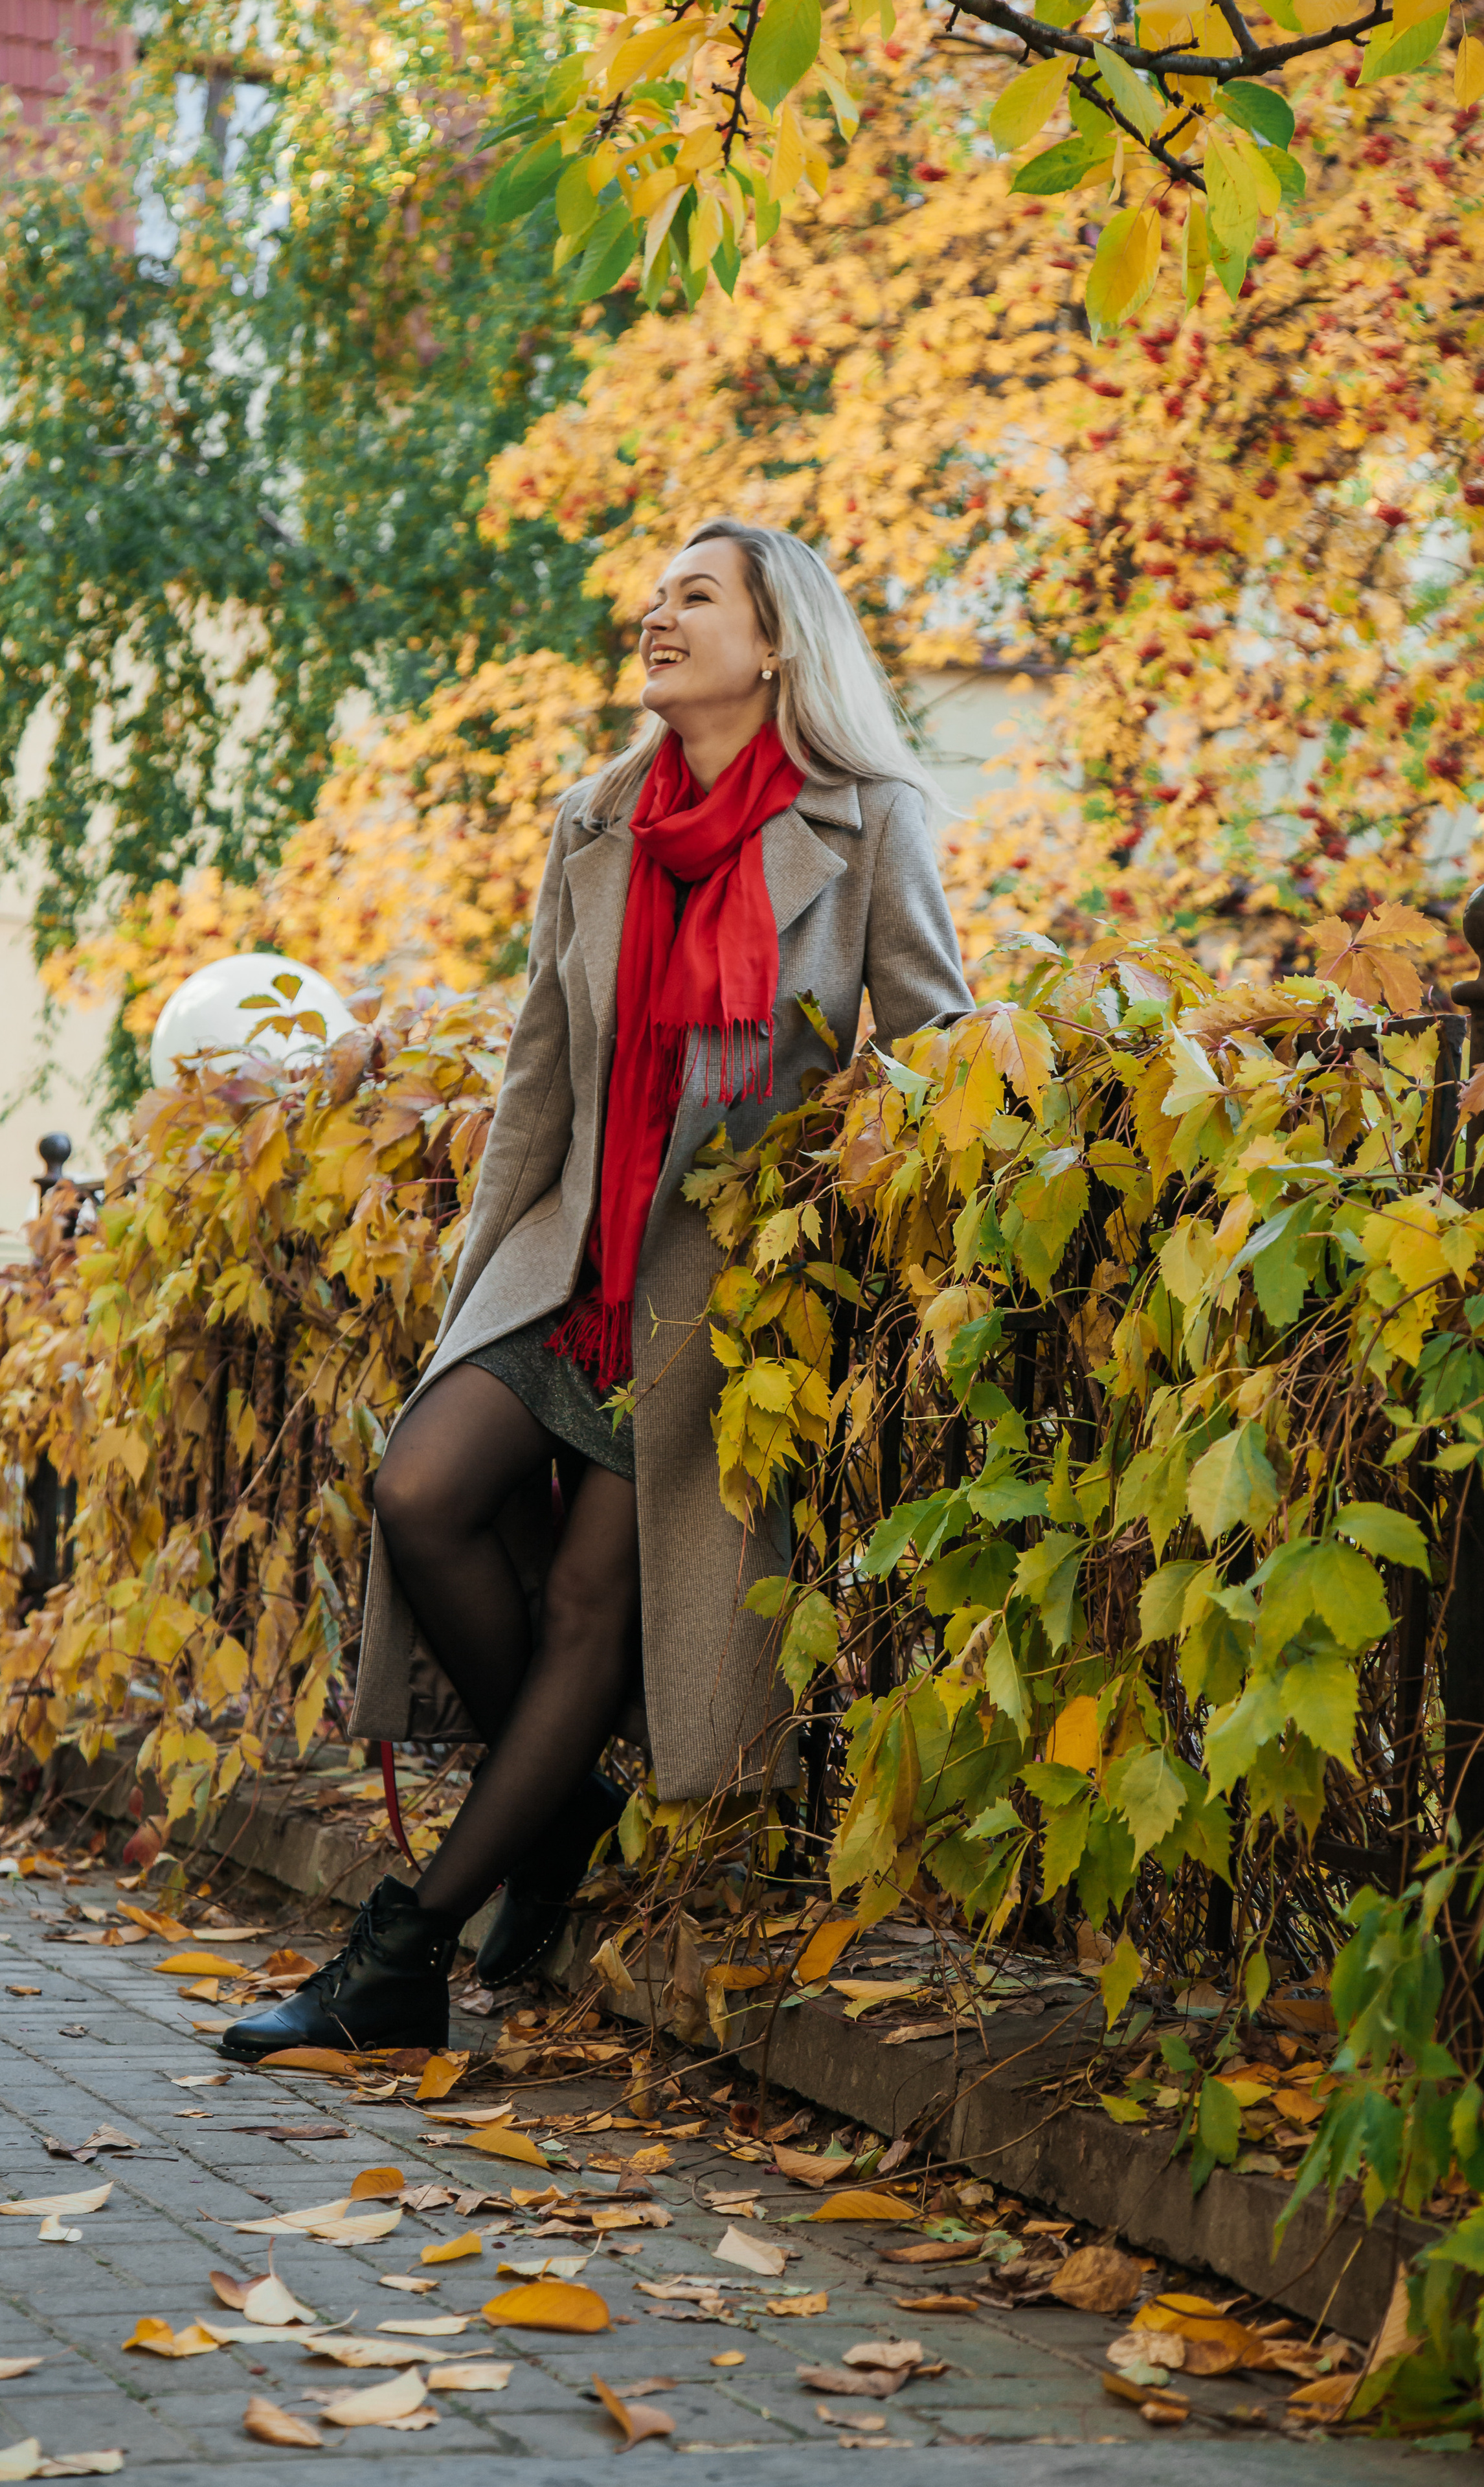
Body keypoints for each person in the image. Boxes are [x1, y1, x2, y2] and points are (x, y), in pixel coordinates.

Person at [220, 517, 972, 2063]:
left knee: (582, 1614)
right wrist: (473, 1292)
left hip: (718, 1309)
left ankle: (401, 1950)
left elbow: (933, 1055)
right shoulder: (596, 822)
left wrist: (825, 1223)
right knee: (417, 1489)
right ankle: (559, 1800)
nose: (653, 613)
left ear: (774, 645)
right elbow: (535, 1083)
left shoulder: (868, 822)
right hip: (569, 1266)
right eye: (652, 593)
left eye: (694, 596)